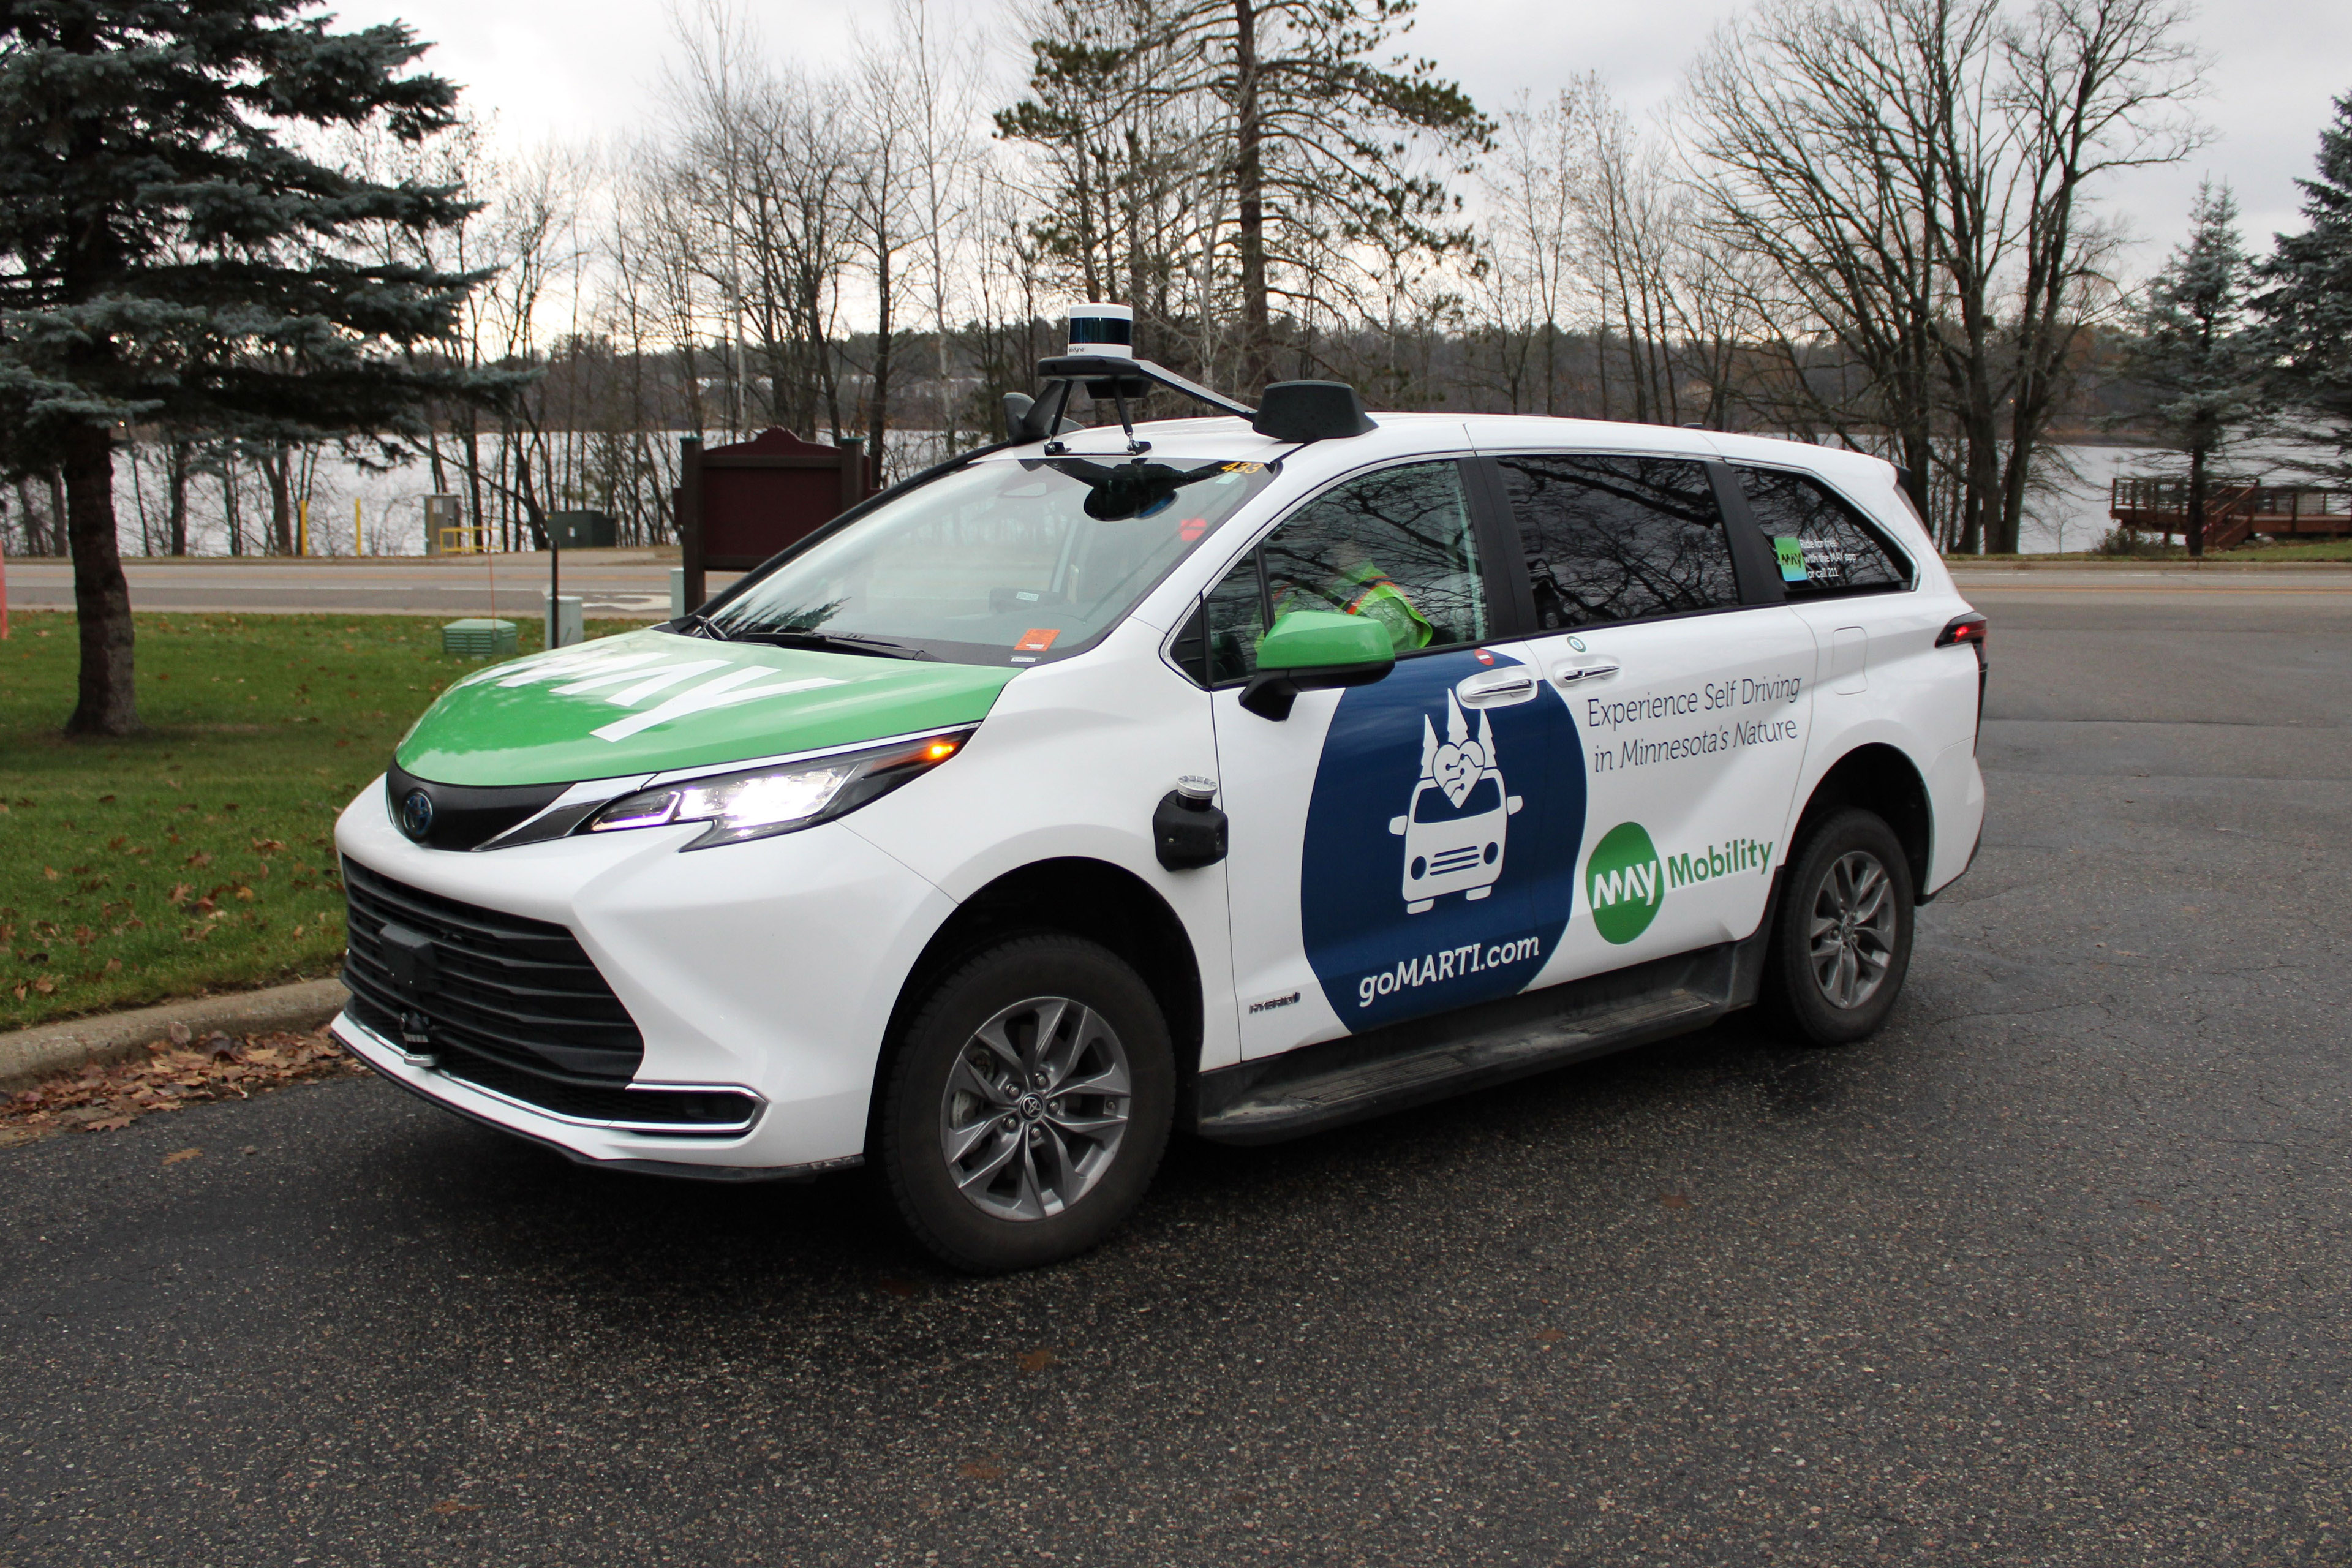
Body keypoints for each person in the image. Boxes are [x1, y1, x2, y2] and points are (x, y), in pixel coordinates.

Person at [1273, 538, 1434, 652]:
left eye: (1336, 542)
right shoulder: (1296, 589)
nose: (1321, 553)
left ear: (1360, 550)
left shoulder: (1382, 605)